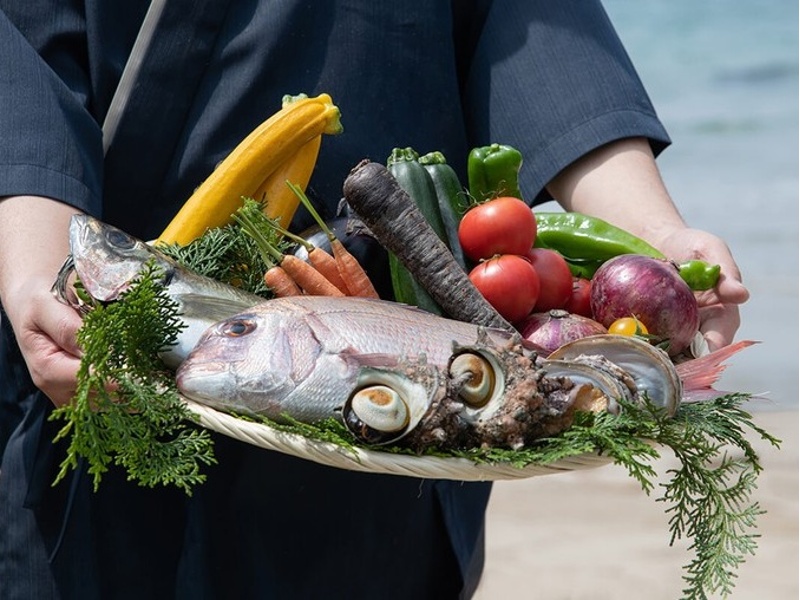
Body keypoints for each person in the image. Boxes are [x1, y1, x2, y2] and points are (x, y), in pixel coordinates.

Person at [0, 2, 750, 598]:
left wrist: (655, 236)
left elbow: (535, 35)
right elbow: (21, 57)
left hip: (392, 422)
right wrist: (38, 273)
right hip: (98, 362)